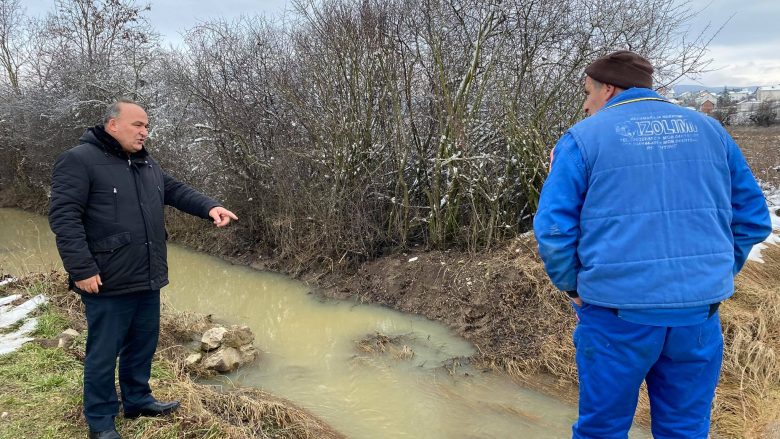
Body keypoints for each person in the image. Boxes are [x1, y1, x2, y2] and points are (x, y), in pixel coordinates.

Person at [533, 51, 772, 438]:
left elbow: (554, 231)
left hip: (616, 314)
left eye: (587, 91)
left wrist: (572, 286)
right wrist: (714, 273)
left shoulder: (582, 139)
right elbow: (754, 219)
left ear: (608, 88)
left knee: (602, 430)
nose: (585, 103)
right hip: (697, 315)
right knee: (685, 429)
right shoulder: (711, 131)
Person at [48, 99, 238, 439]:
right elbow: (64, 218)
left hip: (147, 274)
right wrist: (81, 269)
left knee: (142, 345)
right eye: (138, 125)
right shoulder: (79, 160)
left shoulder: (145, 162)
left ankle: (137, 400)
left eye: (147, 125)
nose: (145, 131)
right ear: (112, 125)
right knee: (104, 353)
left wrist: (210, 206)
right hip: (105, 280)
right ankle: (101, 420)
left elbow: (175, 191)